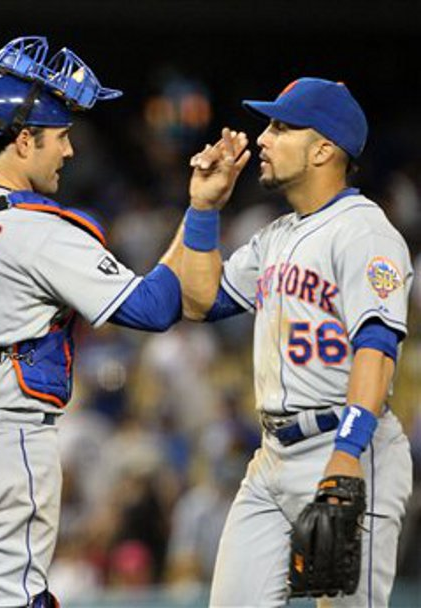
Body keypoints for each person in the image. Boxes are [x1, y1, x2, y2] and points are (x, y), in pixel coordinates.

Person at [0, 36, 185, 607]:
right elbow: (154, 309)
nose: (69, 152)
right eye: (61, 137)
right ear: (24, 140)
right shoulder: (40, 229)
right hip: (2, 441)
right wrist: (199, 210)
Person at [179, 78, 413, 606]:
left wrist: (348, 454)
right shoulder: (277, 234)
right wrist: (203, 209)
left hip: (347, 446)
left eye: (282, 126)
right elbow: (201, 301)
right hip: (272, 457)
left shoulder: (365, 233)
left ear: (324, 149)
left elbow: (376, 347)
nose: (264, 137)